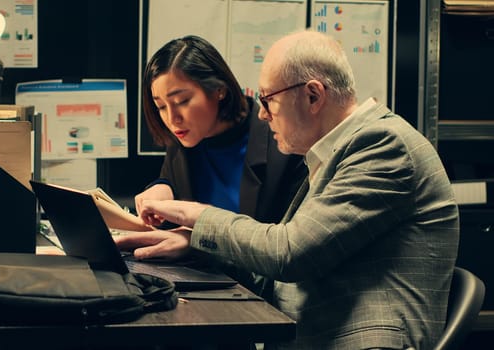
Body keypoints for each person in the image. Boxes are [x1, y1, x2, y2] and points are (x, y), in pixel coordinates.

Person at [116, 30, 460, 350]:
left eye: (268, 101)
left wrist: (197, 216)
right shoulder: (334, 154)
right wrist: (194, 244)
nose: (262, 116)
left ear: (313, 96)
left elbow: (290, 254)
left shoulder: (382, 145)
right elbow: (276, 275)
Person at [135, 35, 307, 297]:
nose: (172, 118)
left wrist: (196, 243)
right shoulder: (185, 137)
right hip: (203, 291)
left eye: (182, 101)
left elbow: (280, 251)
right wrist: (161, 186)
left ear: (219, 90)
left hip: (261, 298)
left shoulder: (280, 142)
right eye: (161, 106)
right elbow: (172, 185)